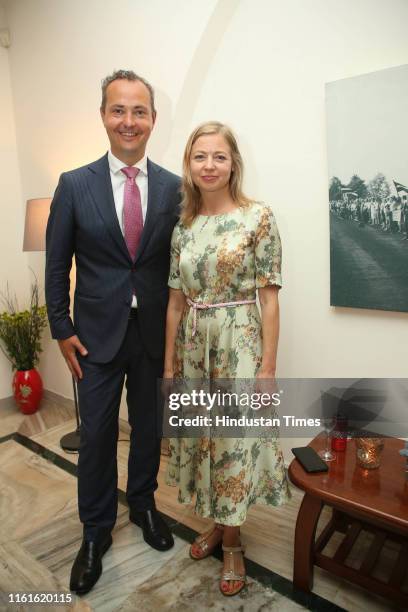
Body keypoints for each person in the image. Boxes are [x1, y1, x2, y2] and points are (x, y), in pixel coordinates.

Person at [45, 70, 180, 595]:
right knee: (98, 437)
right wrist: (61, 328)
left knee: (148, 430)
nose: (129, 120)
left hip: (151, 335)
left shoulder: (173, 187)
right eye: (118, 110)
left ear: (152, 119)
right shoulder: (73, 184)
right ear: (103, 115)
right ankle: (96, 531)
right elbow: (56, 266)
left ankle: (143, 506)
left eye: (139, 111)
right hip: (94, 338)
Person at [163, 121, 290, 596]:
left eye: (219, 156)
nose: (209, 165)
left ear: (233, 163)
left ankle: (233, 542)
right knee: (204, 442)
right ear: (189, 166)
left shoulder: (258, 217)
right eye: (200, 157)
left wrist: (267, 368)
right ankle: (217, 524)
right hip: (194, 345)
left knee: (234, 443)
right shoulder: (184, 226)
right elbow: (175, 301)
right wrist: (169, 366)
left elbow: (270, 298)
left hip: (239, 344)